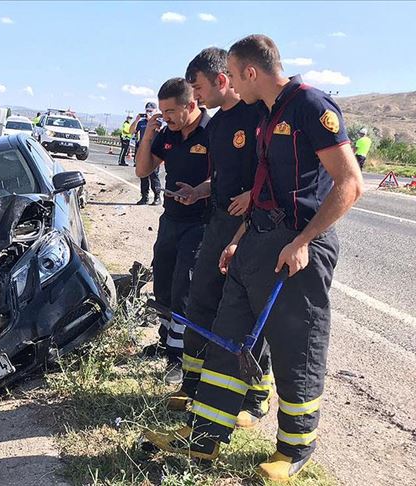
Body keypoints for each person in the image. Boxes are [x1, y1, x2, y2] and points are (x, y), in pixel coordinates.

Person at [143, 35, 363, 482]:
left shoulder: (310, 106)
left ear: (248, 72)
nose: (230, 92)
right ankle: (203, 437)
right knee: (228, 338)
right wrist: (239, 237)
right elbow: (263, 186)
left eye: (233, 77)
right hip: (255, 241)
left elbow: (350, 183)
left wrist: (303, 240)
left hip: (298, 245)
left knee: (296, 347)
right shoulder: (266, 114)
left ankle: (295, 447)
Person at [167, 47, 272, 428]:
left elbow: (273, 170)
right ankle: (192, 381)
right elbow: (222, 178)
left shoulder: (258, 113)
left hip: (255, 226)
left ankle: (256, 394)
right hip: (219, 221)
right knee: (202, 300)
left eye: (197, 88)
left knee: (247, 311)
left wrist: (254, 196)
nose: (194, 97)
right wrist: (200, 191)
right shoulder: (217, 125)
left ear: (222, 80)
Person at [135, 79, 210, 385]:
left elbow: (228, 178)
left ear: (191, 105)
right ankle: (166, 342)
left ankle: (180, 359)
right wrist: (149, 134)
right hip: (171, 219)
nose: (165, 117)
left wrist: (200, 192)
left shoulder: (213, 132)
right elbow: (142, 170)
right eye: (161, 111)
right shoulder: (167, 134)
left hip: (201, 223)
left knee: (184, 289)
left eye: (170, 111)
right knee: (163, 283)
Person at [129, 102, 163, 204]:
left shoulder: (159, 121)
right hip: (142, 151)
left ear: (156, 111)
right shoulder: (141, 122)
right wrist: (136, 120)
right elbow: (131, 131)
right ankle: (144, 197)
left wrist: (150, 121)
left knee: (153, 175)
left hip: (154, 152)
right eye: (147, 110)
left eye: (150, 111)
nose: (148, 113)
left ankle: (157, 197)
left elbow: (161, 132)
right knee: (143, 175)